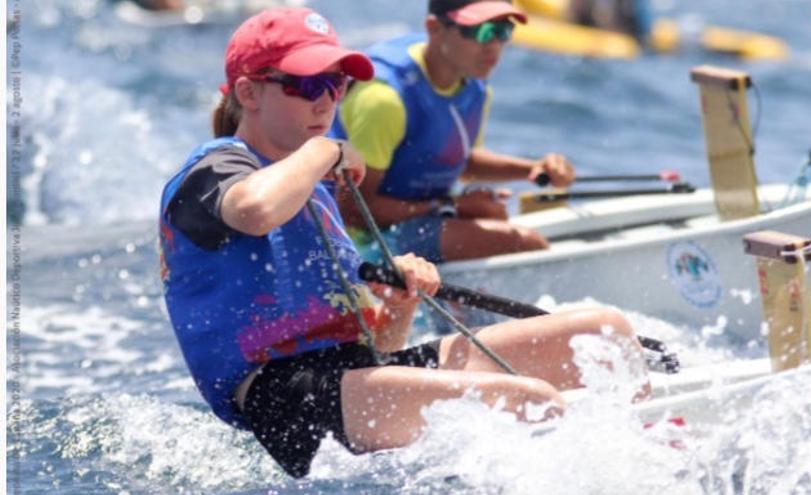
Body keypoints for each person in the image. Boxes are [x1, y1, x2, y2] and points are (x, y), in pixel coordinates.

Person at [159, 6, 650, 479]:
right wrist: (326, 148)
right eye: (306, 85)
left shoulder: (316, 188)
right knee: (531, 401)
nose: (326, 102)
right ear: (248, 92)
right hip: (286, 399)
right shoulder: (217, 167)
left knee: (604, 338)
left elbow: (379, 348)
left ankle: (659, 456)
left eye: (336, 84)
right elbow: (254, 211)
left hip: (354, 379)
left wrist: (400, 303)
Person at [330, 0, 576, 264]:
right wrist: (454, 206)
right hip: (356, 241)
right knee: (525, 243)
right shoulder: (384, 100)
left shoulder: (473, 81)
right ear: (435, 28)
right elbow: (353, 211)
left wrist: (533, 169)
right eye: (479, 32)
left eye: (502, 31)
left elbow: (461, 161)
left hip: (409, 218)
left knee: (496, 218)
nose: (493, 45)